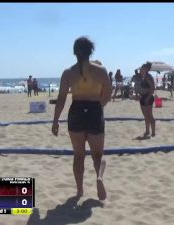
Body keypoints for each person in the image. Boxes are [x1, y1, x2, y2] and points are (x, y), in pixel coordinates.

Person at [52, 36, 112, 200]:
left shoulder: (68, 73)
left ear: (74, 52)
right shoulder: (101, 71)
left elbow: (61, 100)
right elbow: (107, 94)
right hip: (94, 109)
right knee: (98, 155)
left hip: (76, 111)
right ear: (91, 51)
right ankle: (99, 178)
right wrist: (99, 107)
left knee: (78, 155)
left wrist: (55, 121)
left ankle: (79, 191)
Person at [139, 62, 156, 137]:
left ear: (146, 69)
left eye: (142, 68)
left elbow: (152, 88)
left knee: (150, 115)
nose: (141, 69)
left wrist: (148, 98)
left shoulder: (148, 77)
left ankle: (153, 133)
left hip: (147, 97)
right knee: (146, 116)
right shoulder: (144, 76)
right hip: (143, 97)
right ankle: (147, 131)